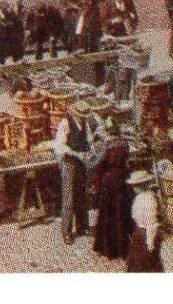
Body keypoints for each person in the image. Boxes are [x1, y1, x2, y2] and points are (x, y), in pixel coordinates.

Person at [89, 124, 134, 260]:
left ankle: (108, 248)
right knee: (120, 214)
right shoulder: (125, 145)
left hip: (109, 183)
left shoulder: (108, 147)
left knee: (107, 214)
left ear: (110, 134)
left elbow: (98, 165)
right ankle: (122, 248)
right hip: (121, 181)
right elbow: (128, 162)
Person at [54, 107, 91, 245]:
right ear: (75, 114)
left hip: (80, 162)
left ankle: (82, 227)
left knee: (81, 194)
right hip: (68, 162)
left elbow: (88, 139)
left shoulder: (85, 122)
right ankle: (66, 231)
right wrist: (77, 154)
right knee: (69, 198)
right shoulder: (66, 123)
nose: (83, 117)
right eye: (81, 115)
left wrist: (88, 151)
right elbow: (60, 146)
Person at [125, 170, 163, 272]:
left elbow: (152, 224)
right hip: (138, 234)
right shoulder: (139, 197)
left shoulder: (149, 200)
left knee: (147, 263)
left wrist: (150, 243)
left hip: (146, 236)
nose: (133, 188)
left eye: (135, 185)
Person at [0, 0, 25, 65]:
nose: (5, 9)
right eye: (3, 7)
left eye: (6, 7)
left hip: (8, 40)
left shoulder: (9, 15)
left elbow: (15, 24)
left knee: (10, 58)